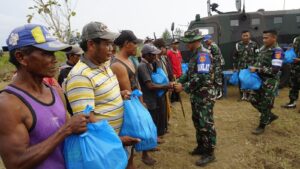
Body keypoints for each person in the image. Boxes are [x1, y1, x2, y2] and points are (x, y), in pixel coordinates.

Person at [0, 24, 88, 169]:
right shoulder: (8, 104)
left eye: (53, 53)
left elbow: (66, 125)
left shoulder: (55, 91)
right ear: (21, 57)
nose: (54, 60)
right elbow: (16, 163)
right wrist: (66, 130)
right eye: (46, 53)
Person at [65, 22, 140, 157]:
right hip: (103, 146)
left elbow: (100, 97)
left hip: (114, 141)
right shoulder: (81, 76)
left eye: (112, 44)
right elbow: (86, 120)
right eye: (107, 44)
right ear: (91, 45)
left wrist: (120, 95)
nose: (112, 49)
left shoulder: (104, 65)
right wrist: (118, 140)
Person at [111, 30, 156, 167]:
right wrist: (140, 106)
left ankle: (138, 157)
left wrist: (142, 103)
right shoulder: (117, 65)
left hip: (136, 102)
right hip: (128, 107)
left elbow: (136, 83)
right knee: (130, 139)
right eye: (135, 43)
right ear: (126, 44)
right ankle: (129, 164)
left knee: (136, 136)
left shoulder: (130, 60)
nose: (137, 47)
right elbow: (128, 93)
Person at [178, 29, 217, 166]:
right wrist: (179, 81)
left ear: (196, 41)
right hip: (196, 95)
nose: (186, 45)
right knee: (197, 121)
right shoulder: (195, 54)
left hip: (204, 95)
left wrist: (183, 87)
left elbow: (202, 77)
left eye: (188, 42)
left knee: (206, 124)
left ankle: (209, 152)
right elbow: (189, 72)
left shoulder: (203, 55)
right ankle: (201, 146)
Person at [137, 44, 174, 144]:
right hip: (148, 99)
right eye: (153, 55)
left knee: (154, 119)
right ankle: (150, 143)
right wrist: (165, 86)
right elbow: (150, 86)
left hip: (152, 98)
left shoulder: (148, 64)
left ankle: (153, 139)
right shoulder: (142, 66)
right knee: (151, 120)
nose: (155, 57)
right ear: (147, 55)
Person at [249, 30, 282, 135]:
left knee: (266, 103)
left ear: (274, 38)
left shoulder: (277, 51)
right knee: (252, 98)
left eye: (266, 38)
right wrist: (254, 67)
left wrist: (258, 69)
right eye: (263, 38)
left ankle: (262, 125)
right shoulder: (263, 48)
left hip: (271, 80)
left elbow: (275, 70)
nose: (264, 40)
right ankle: (269, 115)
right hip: (259, 79)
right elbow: (258, 61)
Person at [233, 30, 259, 101]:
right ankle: (242, 96)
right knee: (241, 80)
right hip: (241, 67)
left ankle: (249, 96)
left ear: (249, 36)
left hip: (251, 67)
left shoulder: (254, 44)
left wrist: (255, 66)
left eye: (247, 35)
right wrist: (235, 67)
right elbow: (235, 56)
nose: (245, 37)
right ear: (241, 36)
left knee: (250, 81)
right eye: (244, 36)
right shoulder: (238, 45)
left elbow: (257, 56)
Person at [153, 38, 174, 124]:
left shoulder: (161, 59)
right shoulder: (154, 60)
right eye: (165, 47)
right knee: (160, 111)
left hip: (165, 87)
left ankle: (165, 124)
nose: (166, 49)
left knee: (165, 108)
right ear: (160, 48)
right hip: (159, 90)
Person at [203, 34, 225, 99]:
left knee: (218, 79)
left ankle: (220, 94)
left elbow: (216, 57)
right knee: (215, 79)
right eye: (205, 41)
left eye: (207, 41)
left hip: (217, 64)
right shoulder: (210, 46)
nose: (206, 42)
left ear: (210, 39)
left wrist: (209, 58)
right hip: (215, 64)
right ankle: (217, 93)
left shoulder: (213, 46)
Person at [282, 35, 300, 109]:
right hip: (295, 68)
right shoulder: (296, 39)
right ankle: (292, 103)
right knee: (293, 85)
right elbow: (294, 50)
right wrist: (290, 49)